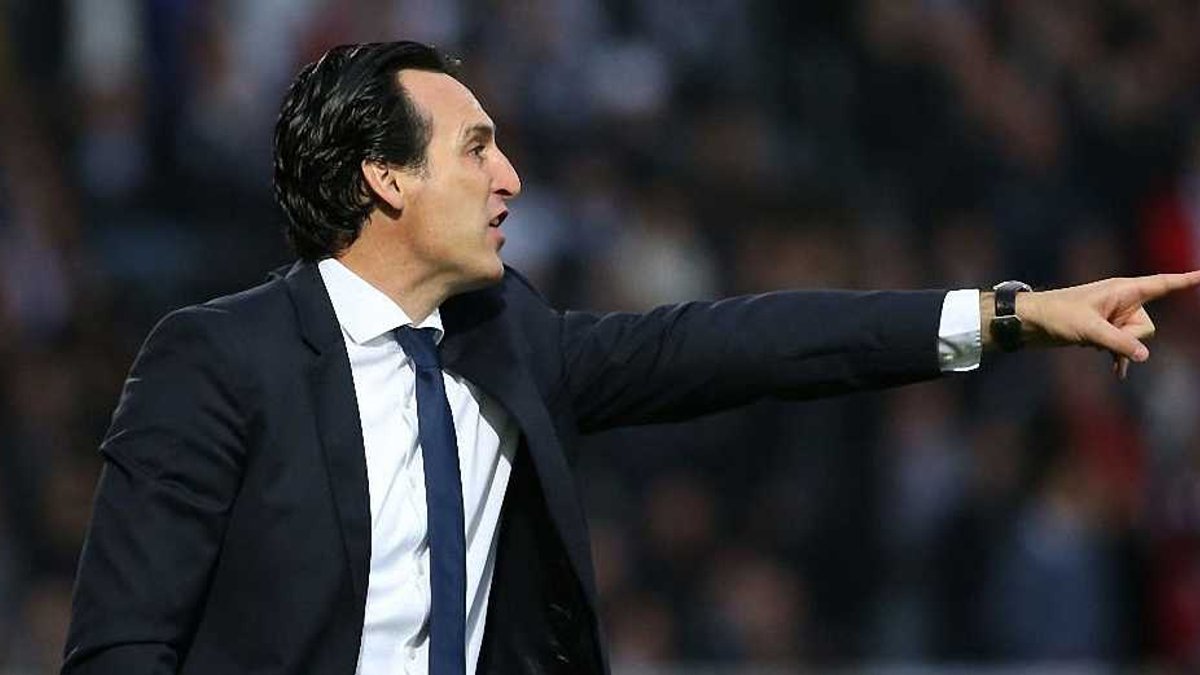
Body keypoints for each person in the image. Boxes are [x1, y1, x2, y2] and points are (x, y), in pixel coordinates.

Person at [60, 41, 1199, 675]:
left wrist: (1007, 317)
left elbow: (749, 344)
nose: (510, 180)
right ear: (385, 178)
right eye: (476, 150)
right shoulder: (217, 361)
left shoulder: (512, 341)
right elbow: (119, 651)